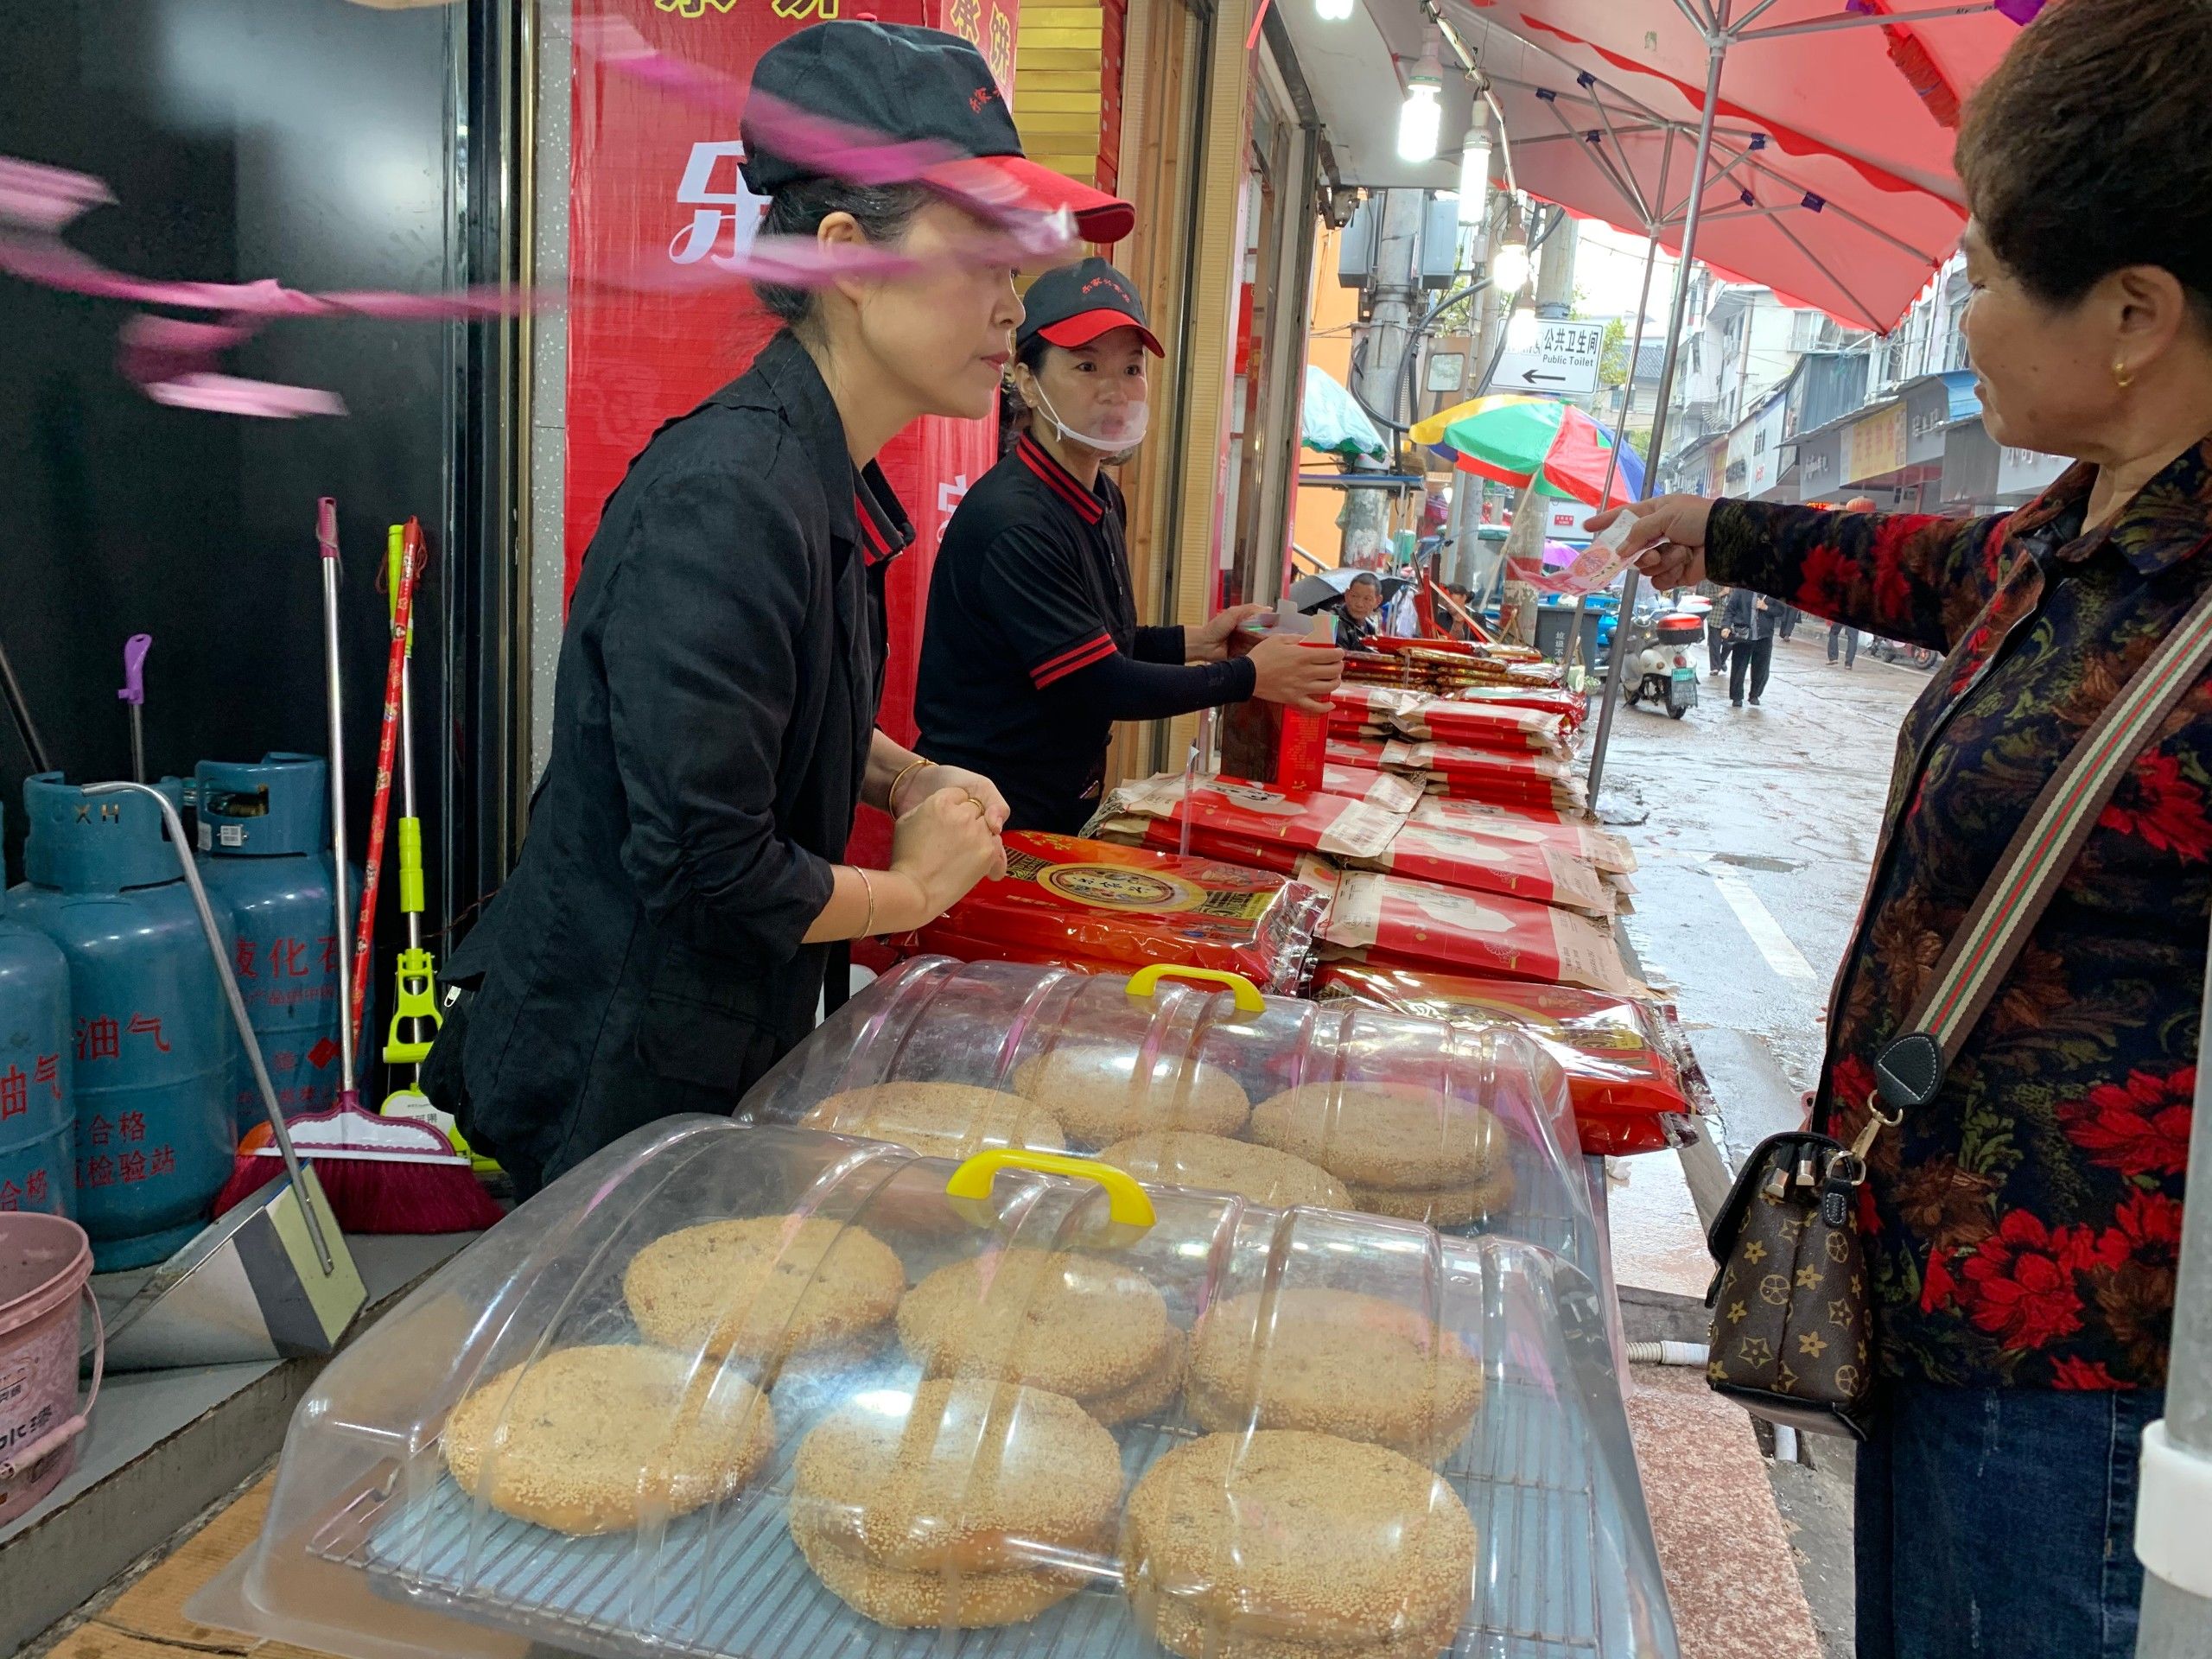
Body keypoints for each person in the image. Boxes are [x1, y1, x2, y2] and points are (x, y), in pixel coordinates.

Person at [1592, 3, 2210, 1650]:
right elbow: (1911, 566)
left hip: (2083, 1373)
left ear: (2137, 314)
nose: (1975, 314)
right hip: (1932, 1302)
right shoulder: (2074, 533)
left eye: (1994, 275)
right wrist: (1711, 525)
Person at [421, 23, 1137, 1197]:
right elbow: (706, 861)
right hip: (616, 1074)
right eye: (988, 260)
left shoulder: (817, 470)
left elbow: (775, 711)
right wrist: (909, 893)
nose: (1018, 309)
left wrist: (904, 779)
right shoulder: (728, 496)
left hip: (714, 1041)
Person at [916, 257, 1341, 831]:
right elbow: (1097, 685)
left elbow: (1097, 644)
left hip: (1056, 805)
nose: (1116, 393)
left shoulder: (1099, 497)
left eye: (1132, 369)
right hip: (981, 814)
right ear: (1028, 383)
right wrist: (1246, 676)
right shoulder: (1016, 520)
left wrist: (1200, 642)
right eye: (1087, 366)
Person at [1719, 587, 1776, 708]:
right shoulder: (1741, 590)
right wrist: (1726, 626)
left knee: (1761, 668)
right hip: (1743, 634)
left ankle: (1755, 694)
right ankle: (1737, 697)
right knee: (1739, 666)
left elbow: (1782, 611)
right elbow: (1730, 609)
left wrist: (1766, 608)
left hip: (1764, 636)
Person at [1336, 571, 1386, 647]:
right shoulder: (1333, 622)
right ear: (1347, 595)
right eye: (1354, 596)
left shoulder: (1371, 627)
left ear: (1378, 601)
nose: (1359, 604)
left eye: (1367, 599)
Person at [1705, 586, 1733, 680]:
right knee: (1715, 646)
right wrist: (1721, 593)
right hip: (1715, 619)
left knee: (1728, 645)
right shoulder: (1712, 583)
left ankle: (1721, 661)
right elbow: (1707, 600)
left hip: (1730, 621)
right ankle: (1715, 668)